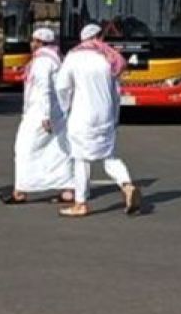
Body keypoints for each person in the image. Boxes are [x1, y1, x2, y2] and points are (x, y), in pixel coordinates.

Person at [55, 23, 141, 218]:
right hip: (106, 115)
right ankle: (127, 185)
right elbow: (116, 92)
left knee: (81, 158)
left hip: (82, 115)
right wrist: (114, 116)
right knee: (109, 156)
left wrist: (65, 107)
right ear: (99, 37)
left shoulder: (74, 57)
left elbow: (62, 87)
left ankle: (81, 203)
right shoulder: (108, 57)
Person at [2, 27, 75, 205]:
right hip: (56, 112)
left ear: (41, 43)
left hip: (41, 113)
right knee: (58, 150)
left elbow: (43, 88)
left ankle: (20, 191)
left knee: (24, 148)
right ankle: (68, 190)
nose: (31, 44)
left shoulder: (42, 61)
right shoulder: (56, 59)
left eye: (34, 40)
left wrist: (44, 115)